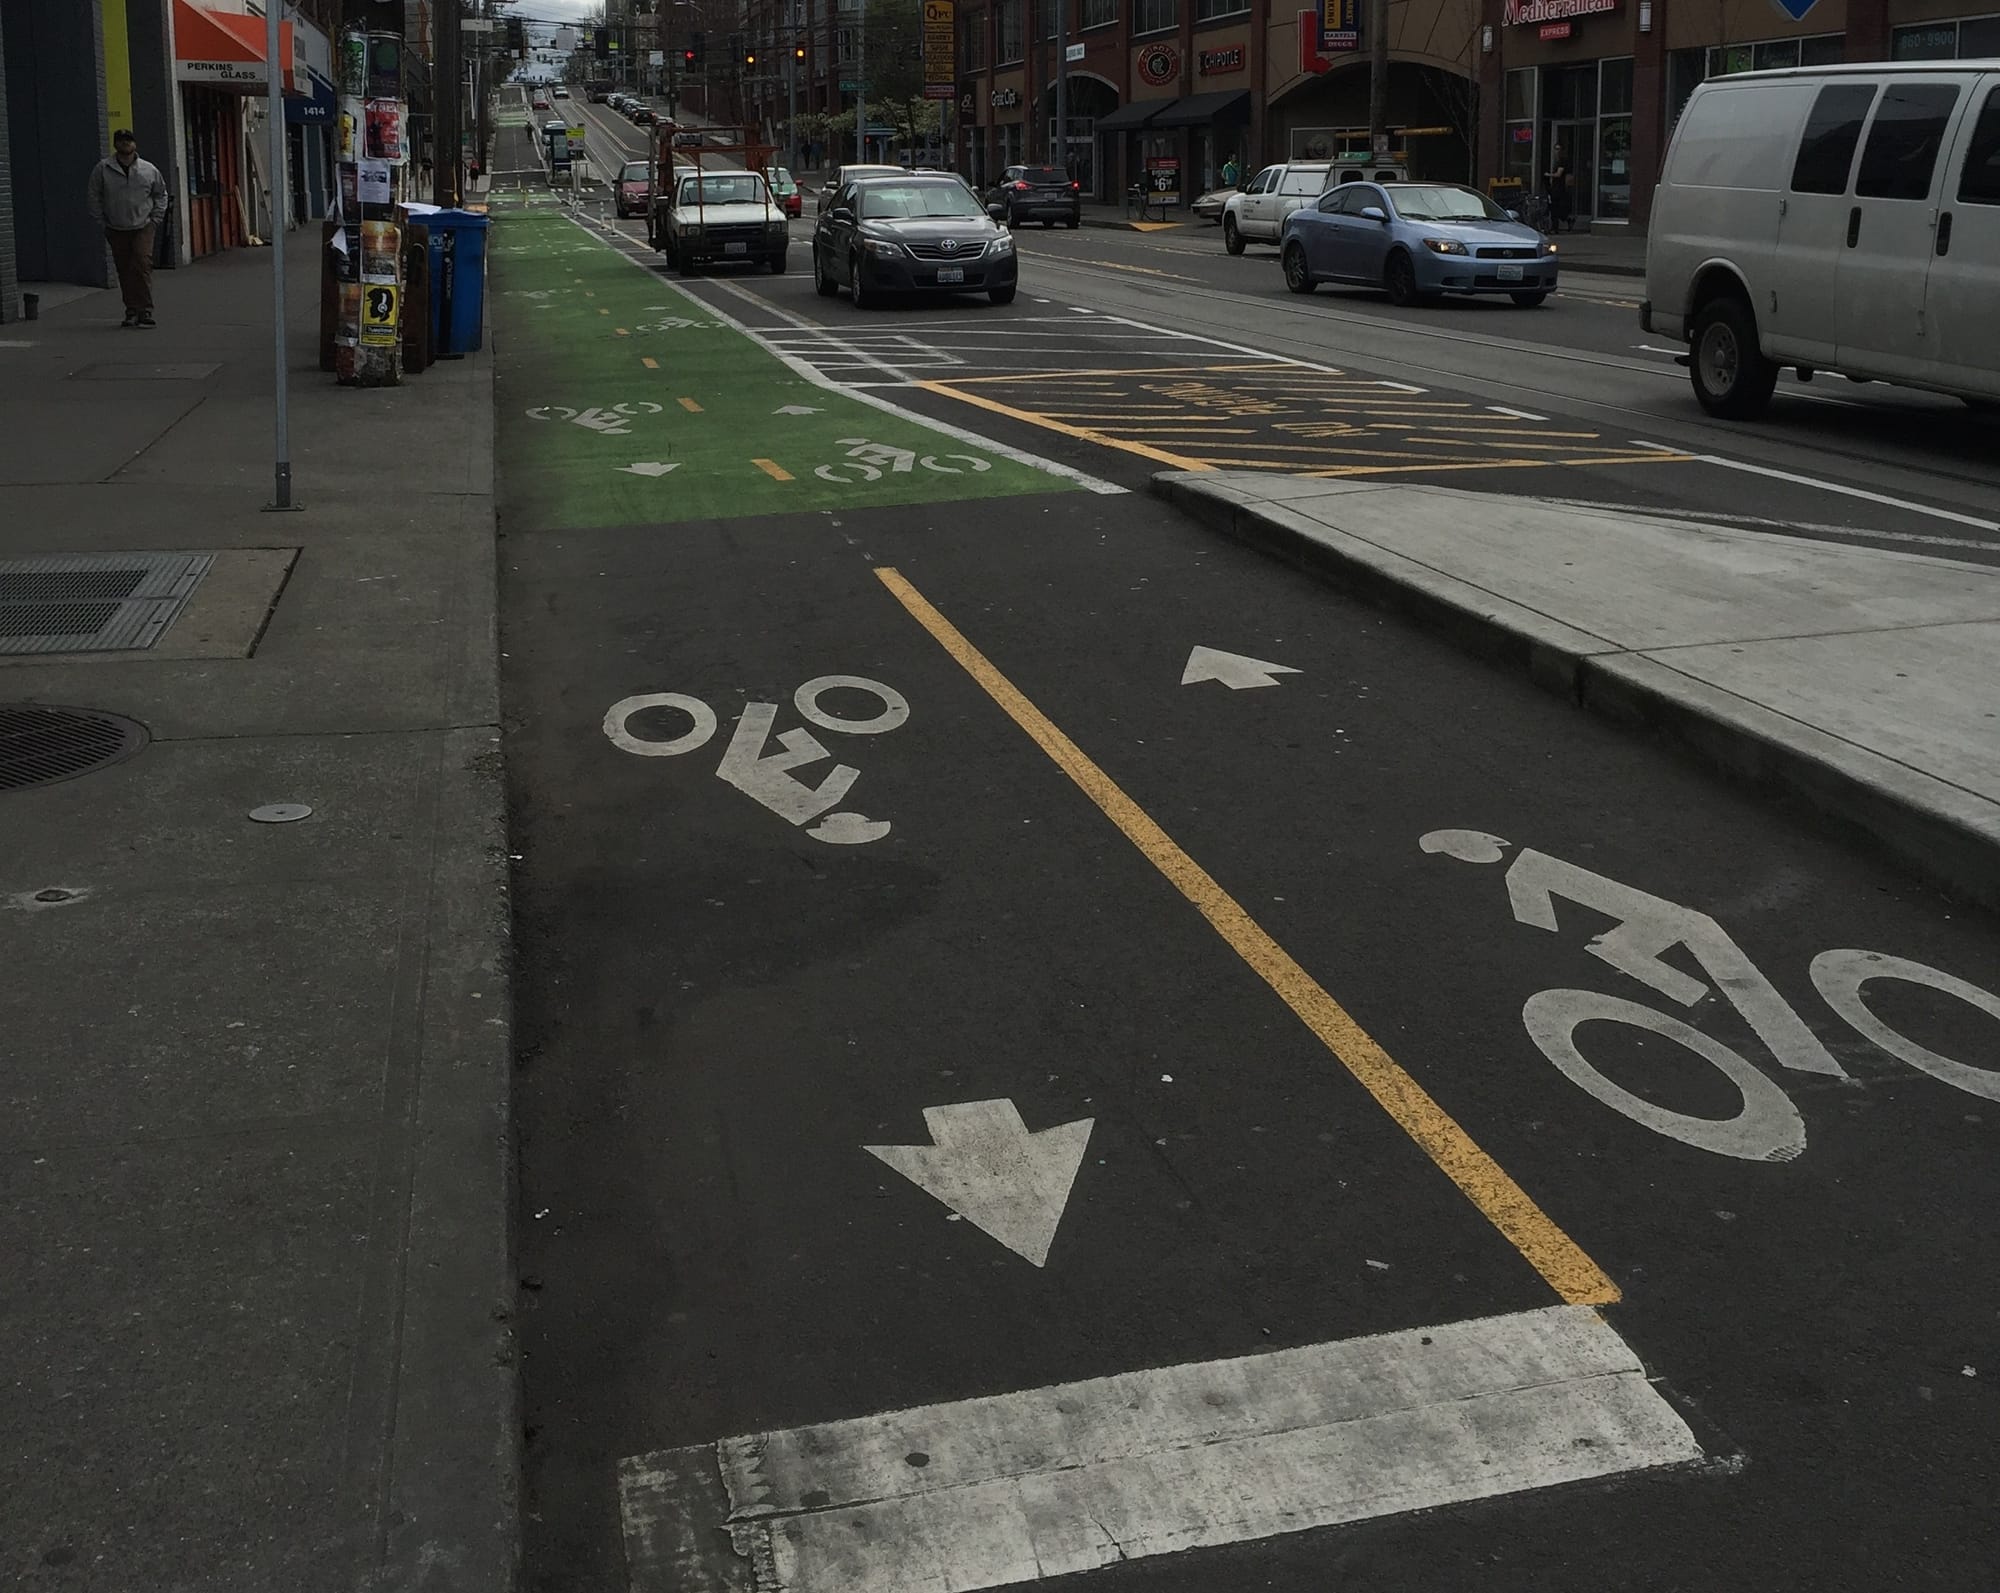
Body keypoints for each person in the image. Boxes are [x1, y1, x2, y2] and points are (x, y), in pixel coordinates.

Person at [87, 130, 169, 328]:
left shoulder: (148, 170)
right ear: (115, 145)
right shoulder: (103, 169)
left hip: (143, 225)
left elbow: (161, 194)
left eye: (128, 140)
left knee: (141, 263)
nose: (125, 144)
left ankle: (145, 310)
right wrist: (102, 221)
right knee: (124, 268)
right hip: (116, 226)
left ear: (135, 144)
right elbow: (94, 195)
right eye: (121, 141)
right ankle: (131, 309)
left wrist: (155, 219)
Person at [1546, 149, 1572, 233]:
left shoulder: (1561, 162)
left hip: (1559, 189)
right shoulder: (1556, 162)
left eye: (1559, 149)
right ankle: (1565, 220)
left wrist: (1548, 175)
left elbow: (1558, 174)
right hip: (1555, 188)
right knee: (1555, 208)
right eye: (1556, 149)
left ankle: (1555, 227)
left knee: (1555, 208)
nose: (1557, 151)